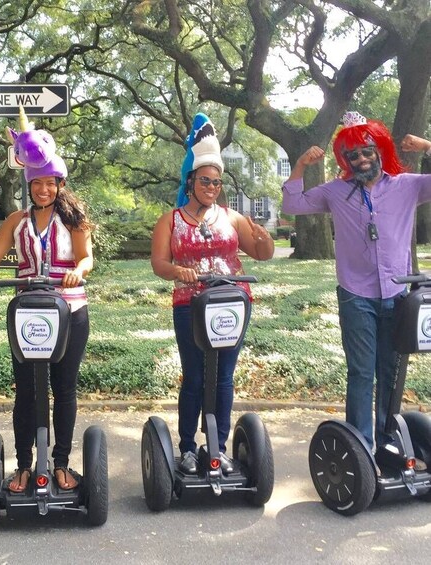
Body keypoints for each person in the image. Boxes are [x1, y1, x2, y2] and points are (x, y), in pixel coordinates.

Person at [0, 113, 93, 493]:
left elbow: (86, 257)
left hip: (70, 311)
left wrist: (79, 270)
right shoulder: (16, 221)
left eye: (50, 183)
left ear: (60, 184)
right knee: (26, 390)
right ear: (29, 185)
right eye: (37, 183)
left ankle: (60, 463)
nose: (44, 190)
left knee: (64, 388)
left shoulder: (74, 219)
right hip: (28, 315)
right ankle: (24, 465)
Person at [282, 110, 431, 451]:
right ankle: (362, 449)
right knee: (362, 373)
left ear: (378, 151)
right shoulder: (335, 192)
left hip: (396, 292)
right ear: (346, 160)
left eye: (367, 152)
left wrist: (425, 147)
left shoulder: (405, 186)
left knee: (390, 372)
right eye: (354, 155)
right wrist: (302, 166)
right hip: (356, 295)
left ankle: (389, 441)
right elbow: (293, 203)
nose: (362, 159)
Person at [151, 113, 274, 475]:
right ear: (191, 182)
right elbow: (159, 263)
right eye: (205, 181)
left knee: (223, 376)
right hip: (189, 304)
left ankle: (217, 446)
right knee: (193, 375)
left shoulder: (232, 218)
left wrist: (264, 239)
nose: (212, 187)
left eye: (217, 183)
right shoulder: (170, 219)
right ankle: (188, 446)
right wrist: (178, 271)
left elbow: (260, 253)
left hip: (232, 303)